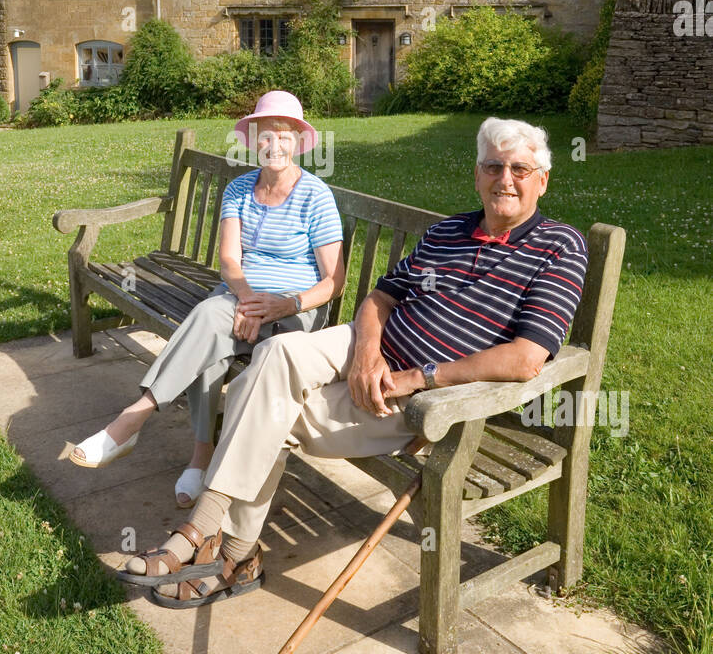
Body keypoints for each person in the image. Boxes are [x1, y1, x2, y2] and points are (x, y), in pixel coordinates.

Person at [118, 116, 590, 604]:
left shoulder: (559, 247)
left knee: (259, 404)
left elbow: (526, 358)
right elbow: (377, 300)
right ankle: (221, 543)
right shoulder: (449, 231)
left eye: (519, 169)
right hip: (365, 351)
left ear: (543, 180)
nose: (505, 179)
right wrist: (366, 353)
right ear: (476, 174)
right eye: (493, 166)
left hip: (428, 399)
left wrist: (417, 377)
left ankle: (224, 547)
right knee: (275, 352)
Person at [68, 91, 345, 508]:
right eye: (266, 135)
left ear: (298, 142)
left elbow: (334, 281)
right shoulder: (238, 190)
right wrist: (250, 299)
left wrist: (283, 305)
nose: (275, 145)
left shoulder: (316, 196)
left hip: (295, 310)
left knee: (209, 320)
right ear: (253, 139)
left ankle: (132, 422)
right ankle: (200, 459)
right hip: (240, 297)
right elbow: (230, 260)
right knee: (213, 334)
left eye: (284, 136)